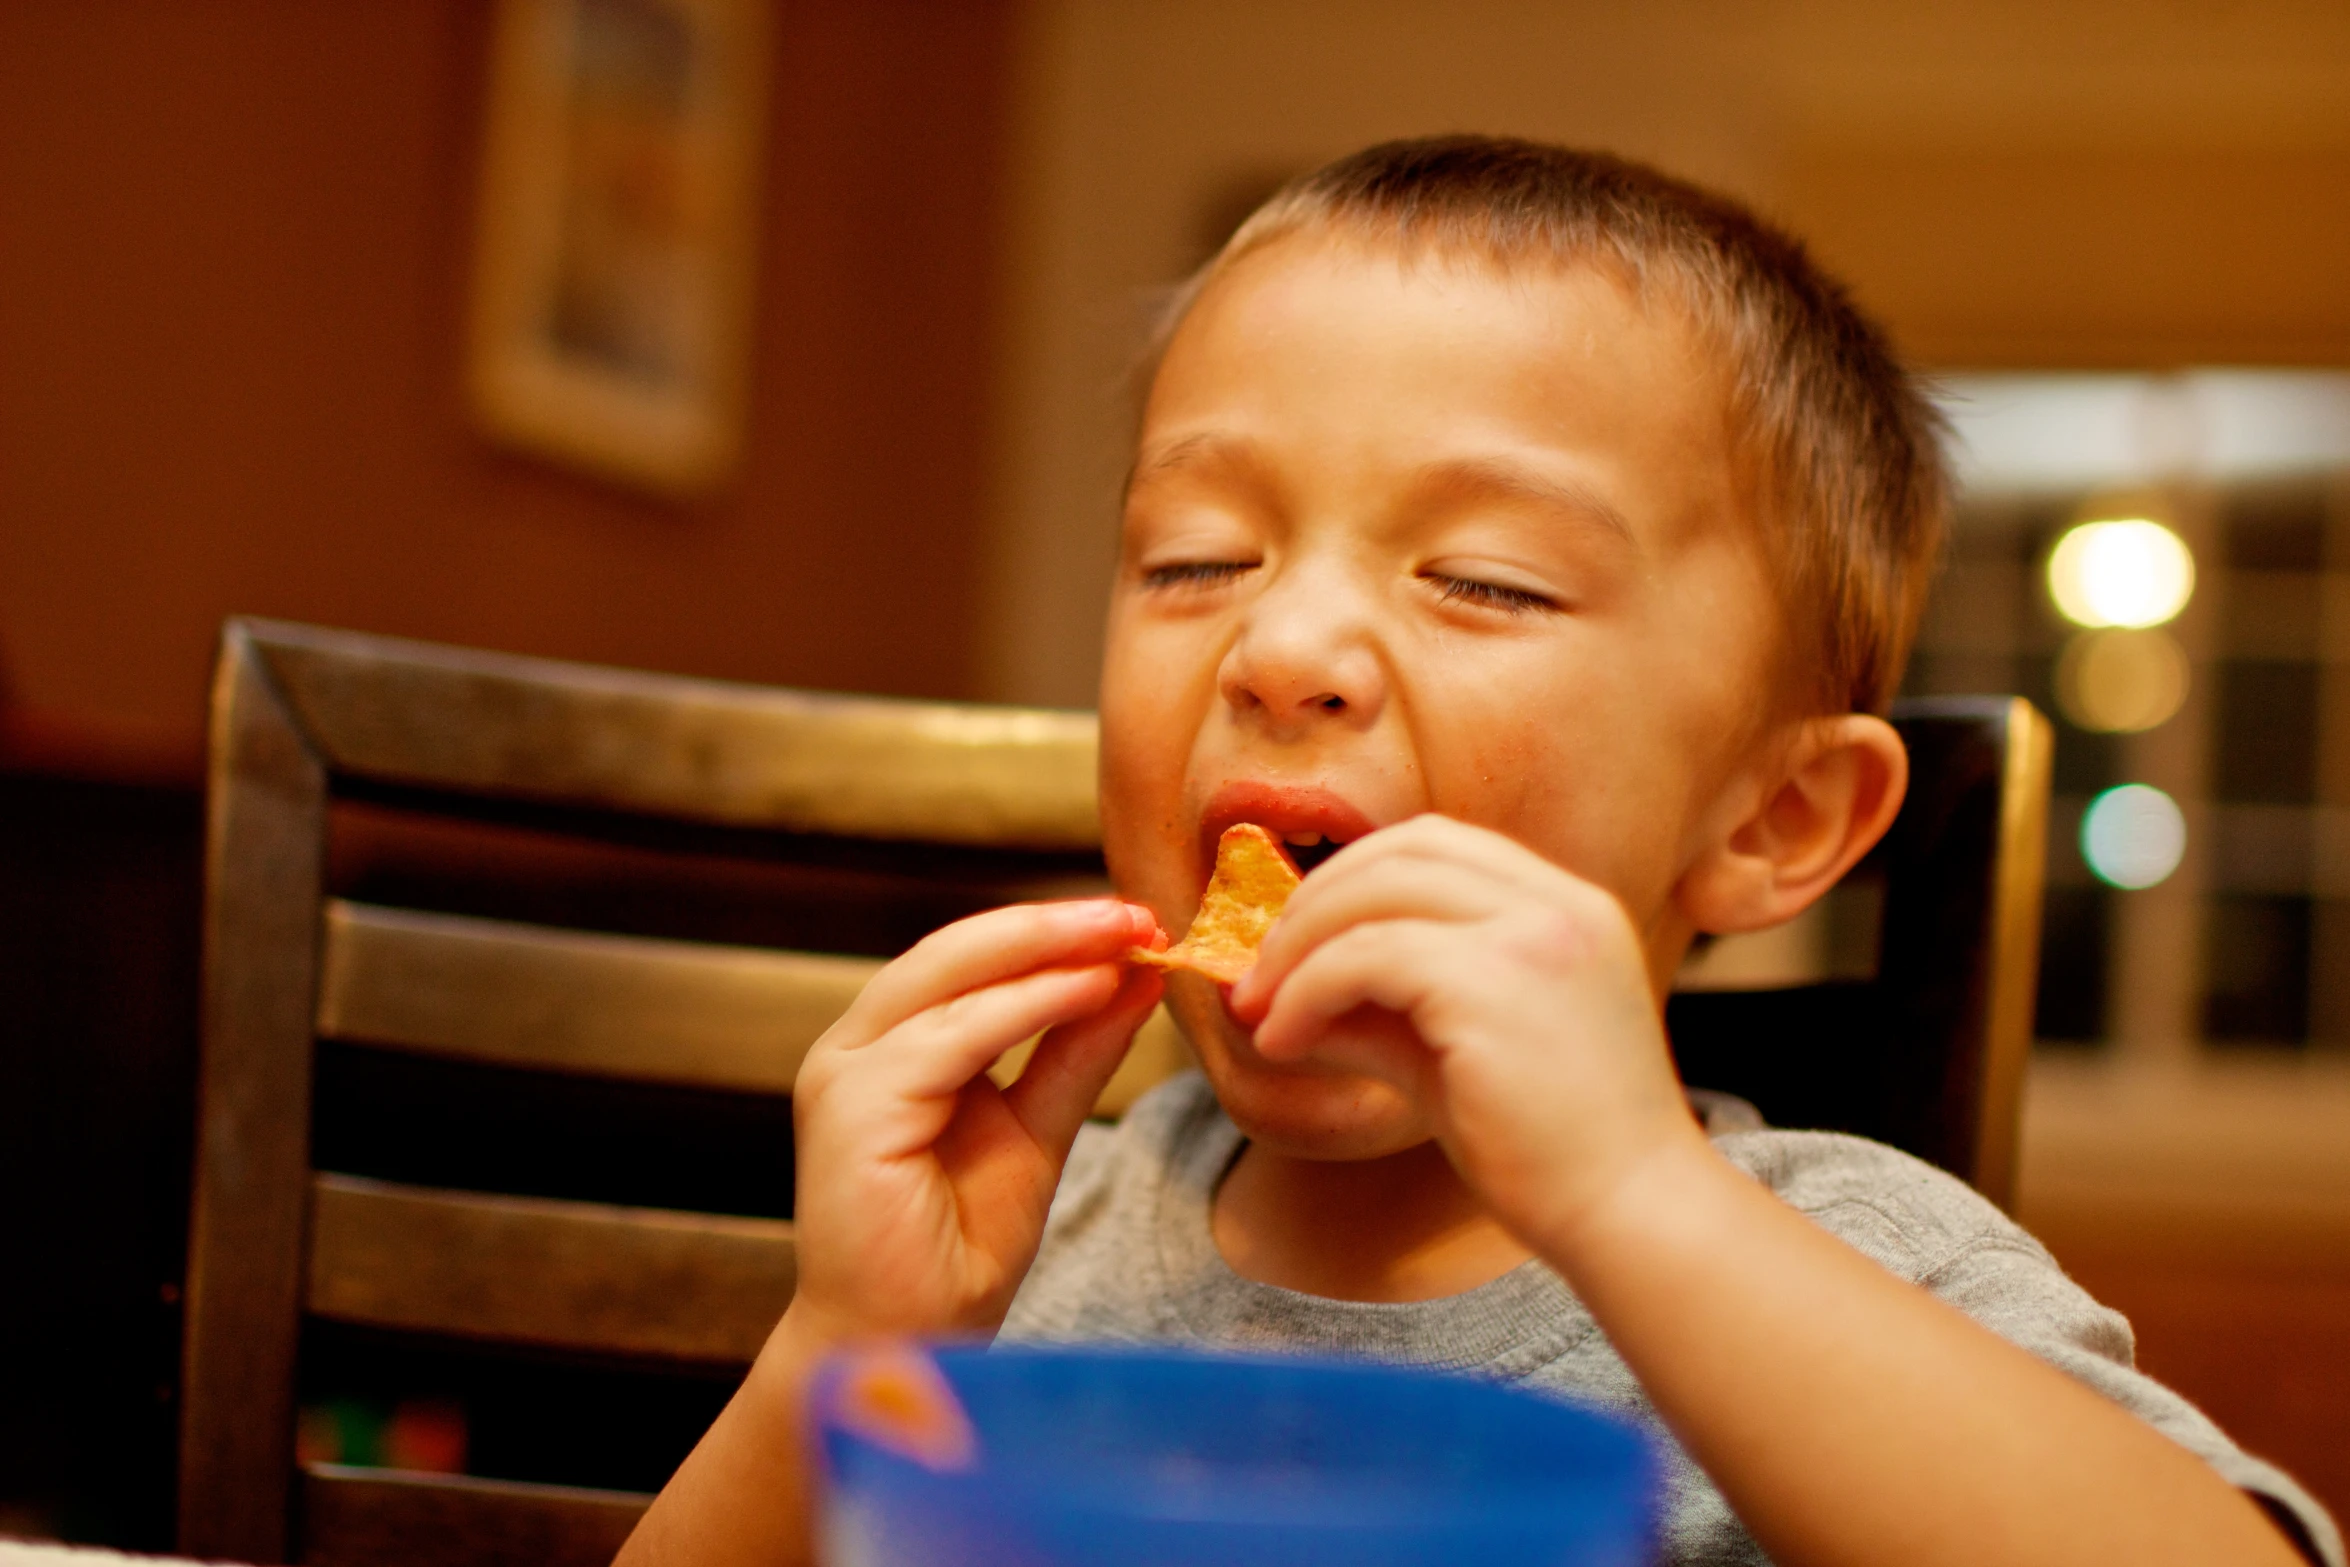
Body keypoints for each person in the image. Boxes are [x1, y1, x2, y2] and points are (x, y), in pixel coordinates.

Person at [616, 137, 2341, 1566]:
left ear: (1770, 818)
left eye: (1487, 581)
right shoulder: (1038, 1237)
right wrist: (848, 1347)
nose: (1278, 648)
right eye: (1195, 557)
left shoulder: (1846, 1266)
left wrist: (1629, 1198)